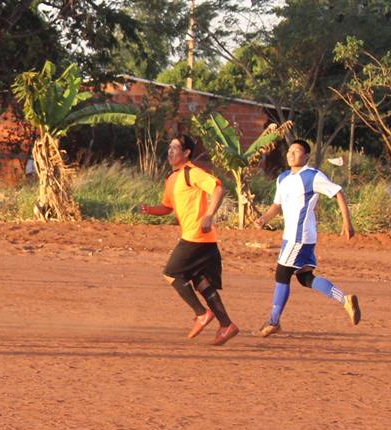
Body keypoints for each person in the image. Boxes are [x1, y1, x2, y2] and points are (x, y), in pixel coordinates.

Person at [252, 139, 360, 336]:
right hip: (293, 238)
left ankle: (273, 321)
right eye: (290, 150)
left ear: (307, 156)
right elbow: (277, 205)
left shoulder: (312, 176)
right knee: (305, 277)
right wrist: (263, 219)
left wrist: (347, 222)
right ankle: (344, 299)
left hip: (299, 237)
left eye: (297, 151)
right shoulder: (283, 178)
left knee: (282, 274)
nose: (291, 154)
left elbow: (338, 192)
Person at [139, 135, 239, 346]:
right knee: (201, 282)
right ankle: (226, 325)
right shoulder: (172, 178)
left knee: (171, 273)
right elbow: (167, 207)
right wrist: (150, 210)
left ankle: (201, 314)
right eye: (169, 148)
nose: (170, 151)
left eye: (175, 148)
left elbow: (218, 188)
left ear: (186, 153)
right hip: (202, 239)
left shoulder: (191, 173)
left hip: (196, 236)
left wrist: (209, 214)